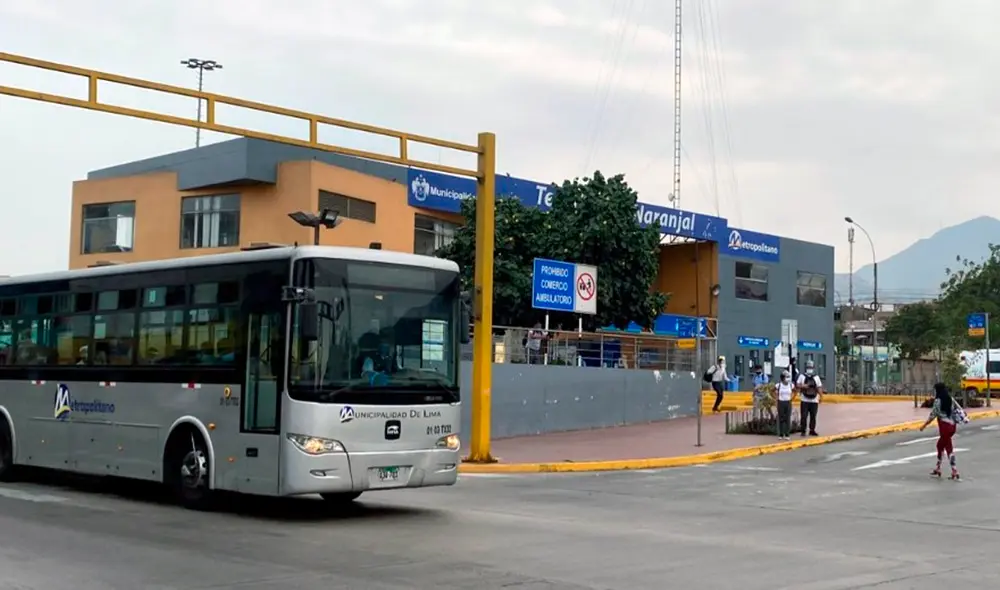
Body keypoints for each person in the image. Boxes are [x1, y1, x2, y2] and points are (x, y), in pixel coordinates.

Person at [919, 382, 960, 480]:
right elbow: (956, 410)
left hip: (944, 426)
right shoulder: (950, 398)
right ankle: (938, 468)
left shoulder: (938, 401)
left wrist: (924, 425)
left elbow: (933, 414)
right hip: (952, 426)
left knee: (948, 448)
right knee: (941, 446)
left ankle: (954, 470)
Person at [795, 359, 823, 436]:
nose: (809, 368)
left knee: (813, 416)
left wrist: (821, 396)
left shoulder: (816, 377)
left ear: (813, 368)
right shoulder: (802, 376)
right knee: (804, 416)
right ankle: (803, 430)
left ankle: (812, 430)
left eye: (811, 367)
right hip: (804, 399)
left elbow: (819, 387)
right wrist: (804, 386)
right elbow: (797, 385)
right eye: (808, 367)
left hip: (814, 400)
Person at [774, 370, 795, 440]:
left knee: (787, 418)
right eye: (786, 377)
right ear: (782, 378)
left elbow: (795, 391)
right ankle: (781, 434)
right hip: (781, 402)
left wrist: (792, 397)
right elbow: (773, 391)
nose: (788, 378)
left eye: (788, 377)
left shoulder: (791, 385)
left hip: (788, 402)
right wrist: (776, 398)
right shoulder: (778, 385)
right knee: (781, 418)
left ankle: (787, 434)